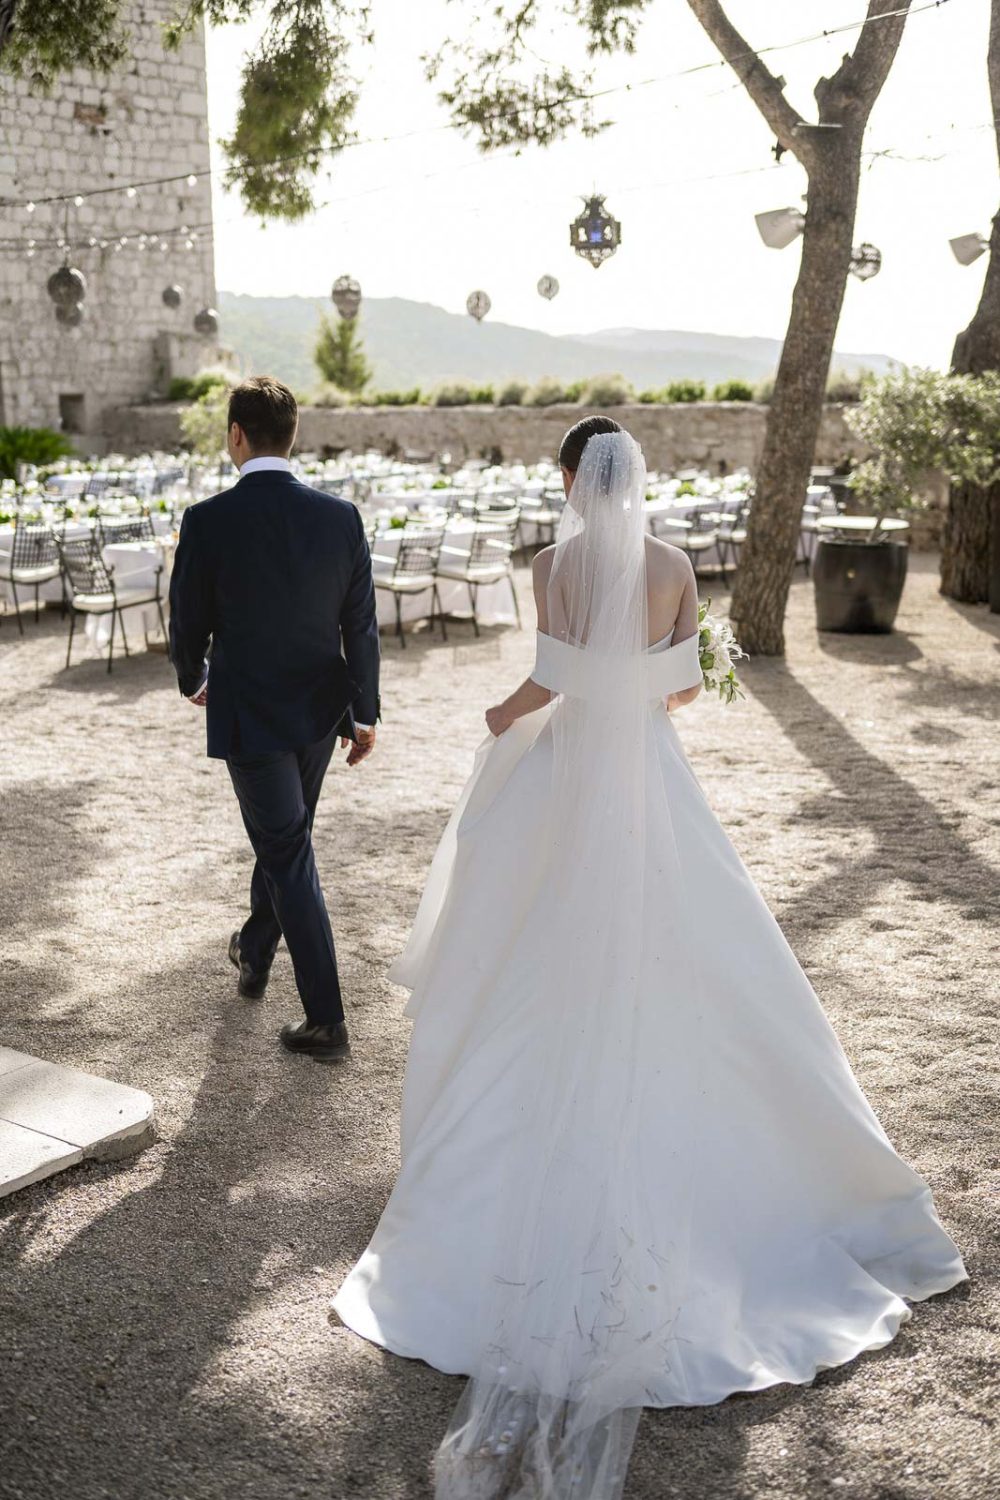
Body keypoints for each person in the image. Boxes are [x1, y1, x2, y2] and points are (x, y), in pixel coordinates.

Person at [332, 418, 966, 1498]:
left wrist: (498, 713)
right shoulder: (674, 568)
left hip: (572, 771)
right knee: (702, 949)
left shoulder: (553, 562)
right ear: (643, 478)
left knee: (529, 946)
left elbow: (553, 681)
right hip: (652, 781)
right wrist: (647, 682)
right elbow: (672, 693)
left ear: (574, 479)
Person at [169, 376, 380, 1061]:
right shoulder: (340, 516)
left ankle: (327, 1019)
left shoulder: (207, 520)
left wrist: (192, 676)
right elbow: (363, 627)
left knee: (288, 851)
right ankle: (255, 950)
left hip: (252, 713)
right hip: (322, 709)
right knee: (286, 839)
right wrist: (365, 712)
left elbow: (186, 620)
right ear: (293, 437)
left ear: (235, 435)